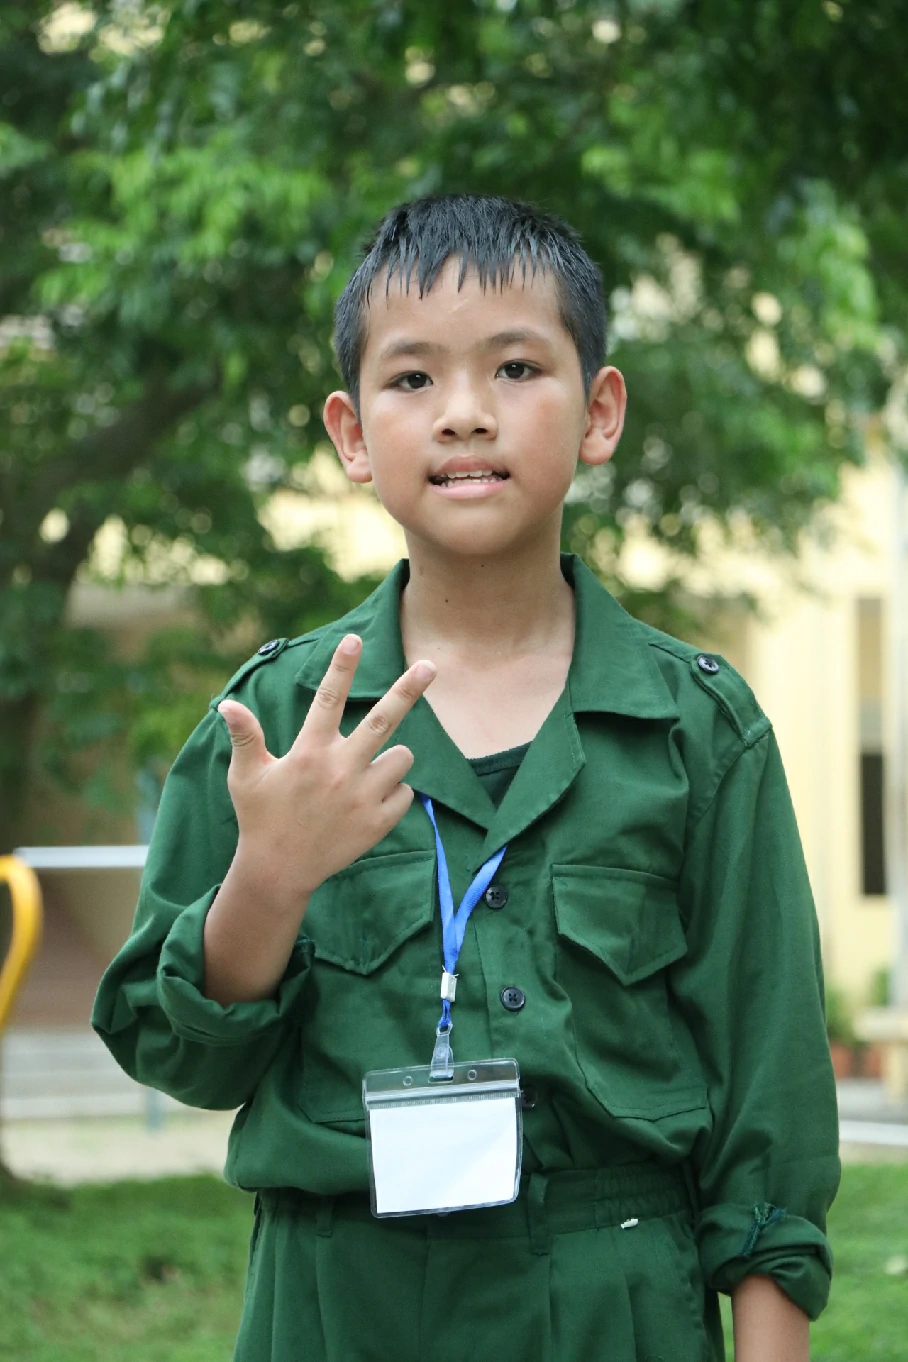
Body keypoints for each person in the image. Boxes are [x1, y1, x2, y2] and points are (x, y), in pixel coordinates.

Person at [93, 194, 839, 1362]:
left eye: (515, 367)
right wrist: (269, 880)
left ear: (597, 413)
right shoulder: (277, 726)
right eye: (411, 378)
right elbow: (178, 1054)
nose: (464, 413)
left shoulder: (697, 729)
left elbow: (769, 1105)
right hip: (337, 1306)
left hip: (615, 1305)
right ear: (350, 435)